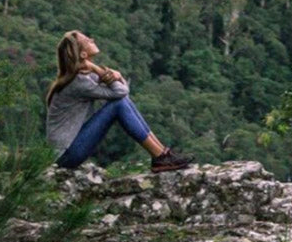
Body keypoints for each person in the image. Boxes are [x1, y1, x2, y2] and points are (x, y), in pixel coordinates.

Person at [45, 30, 193, 172]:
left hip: (71, 150)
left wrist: (117, 75)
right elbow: (120, 93)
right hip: (66, 155)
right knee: (118, 105)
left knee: (122, 102)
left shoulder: (83, 77)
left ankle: (163, 153)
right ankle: (160, 156)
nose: (92, 40)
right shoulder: (78, 82)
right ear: (83, 54)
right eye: (87, 40)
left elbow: (123, 92)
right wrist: (98, 69)